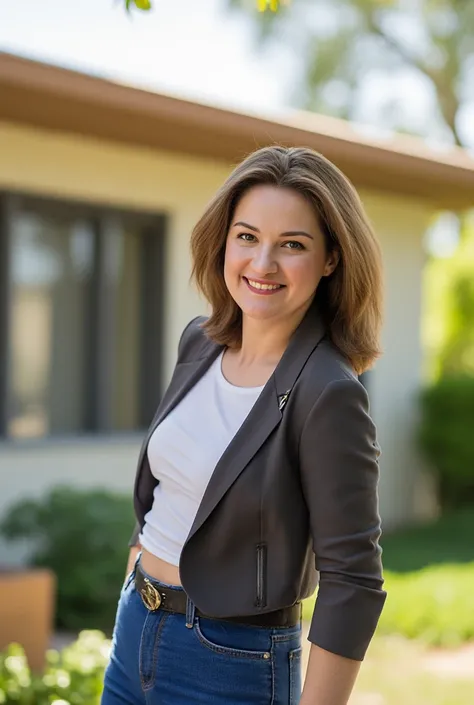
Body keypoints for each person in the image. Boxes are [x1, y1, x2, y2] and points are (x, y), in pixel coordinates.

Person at [101, 145, 387, 705]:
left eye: (293, 245)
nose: (262, 264)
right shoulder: (199, 342)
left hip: (228, 662)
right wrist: (140, 565)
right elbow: (174, 486)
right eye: (248, 237)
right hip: (136, 628)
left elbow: (353, 581)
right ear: (225, 241)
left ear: (331, 259)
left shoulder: (327, 392)